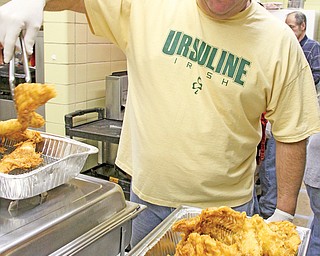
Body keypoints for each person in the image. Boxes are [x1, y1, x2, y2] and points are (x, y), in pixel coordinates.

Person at [1, 0, 320, 248]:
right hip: (146, 202)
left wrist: (284, 213)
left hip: (227, 212)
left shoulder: (279, 42)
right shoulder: (149, 6)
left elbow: (292, 131)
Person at [285, 11, 320, 256]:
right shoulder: (284, 46)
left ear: (303, 26)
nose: (288, 30)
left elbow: (313, 78)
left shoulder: (312, 49)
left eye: (291, 26)